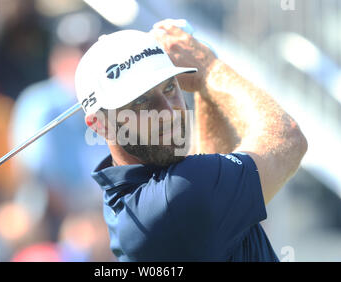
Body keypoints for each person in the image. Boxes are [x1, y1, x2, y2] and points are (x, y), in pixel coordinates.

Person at [74, 19, 308, 262]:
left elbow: (209, 170)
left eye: (169, 88)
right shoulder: (176, 198)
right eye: (141, 101)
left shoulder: (132, 193)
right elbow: (287, 137)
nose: (168, 111)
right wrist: (207, 66)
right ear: (100, 124)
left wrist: (203, 89)